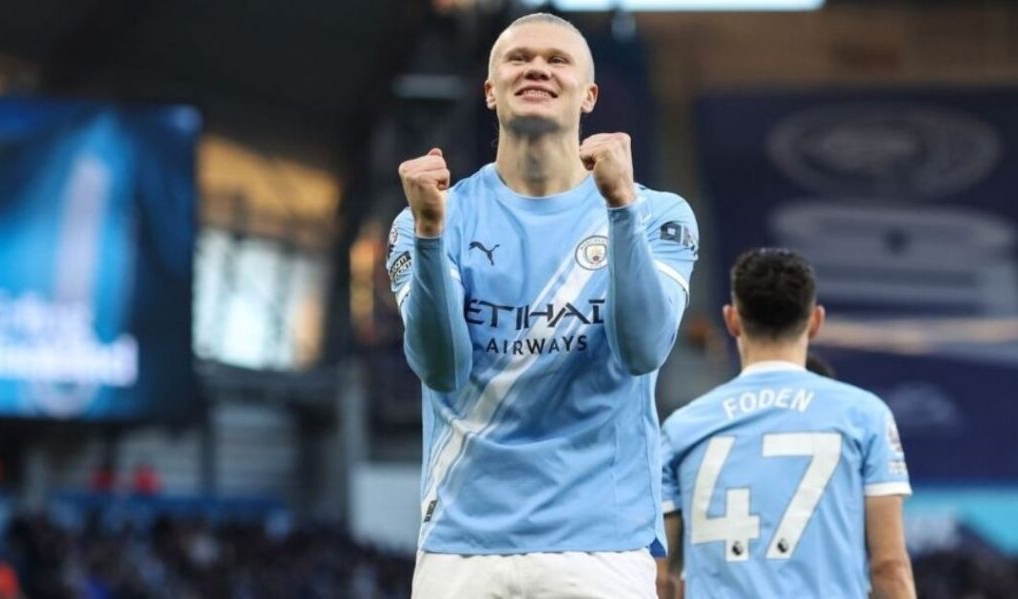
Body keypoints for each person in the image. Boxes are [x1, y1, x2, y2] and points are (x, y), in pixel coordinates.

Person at [387, 12, 698, 598]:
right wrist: (429, 234)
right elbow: (442, 368)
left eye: (557, 60)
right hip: (461, 548)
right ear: (490, 91)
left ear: (589, 95)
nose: (537, 68)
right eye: (519, 58)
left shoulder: (656, 214)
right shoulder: (431, 217)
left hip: (601, 546)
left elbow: (643, 350)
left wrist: (621, 208)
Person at [658, 248, 915, 599]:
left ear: (732, 320)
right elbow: (889, 566)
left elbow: (659, 578)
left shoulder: (681, 429)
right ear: (816, 321)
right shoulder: (864, 416)